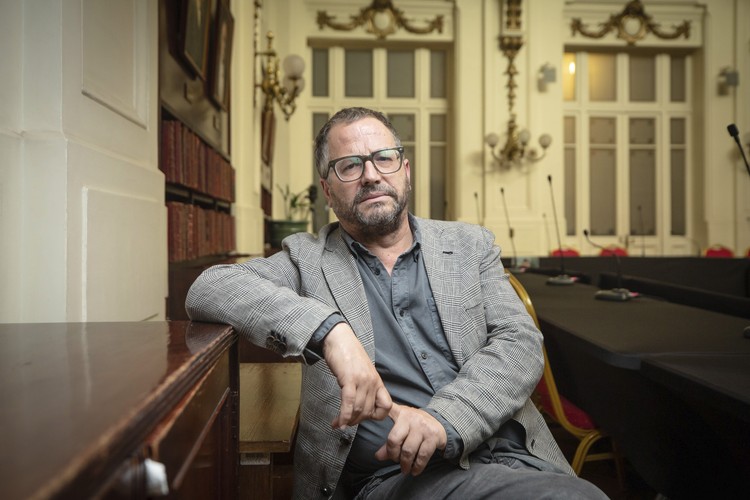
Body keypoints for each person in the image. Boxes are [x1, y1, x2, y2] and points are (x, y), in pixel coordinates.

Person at [186, 107, 607, 500]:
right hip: (397, 478)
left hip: (513, 456)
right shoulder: (307, 259)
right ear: (327, 190)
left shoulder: (469, 245)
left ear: (405, 171)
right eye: (350, 165)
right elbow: (211, 287)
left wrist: (444, 419)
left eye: (383, 158)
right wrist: (331, 332)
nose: (371, 175)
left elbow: (519, 343)